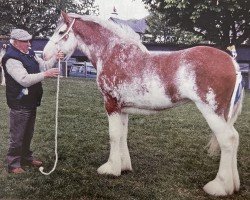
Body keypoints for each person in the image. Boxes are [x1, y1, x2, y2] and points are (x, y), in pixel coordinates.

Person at [1, 29, 63, 174]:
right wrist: (45, 75)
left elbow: (44, 66)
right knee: (17, 135)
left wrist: (55, 57)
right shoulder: (11, 59)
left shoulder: (30, 54)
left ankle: (26, 158)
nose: (29, 44)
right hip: (19, 102)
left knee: (28, 133)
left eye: (29, 41)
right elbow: (24, 80)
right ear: (16, 42)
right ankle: (13, 164)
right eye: (25, 41)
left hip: (31, 100)